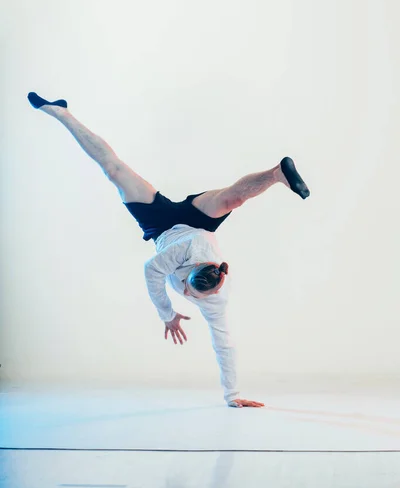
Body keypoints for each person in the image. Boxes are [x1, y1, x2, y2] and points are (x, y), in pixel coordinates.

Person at [27, 92, 310, 408]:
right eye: (187, 288)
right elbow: (151, 272)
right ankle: (60, 113)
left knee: (227, 197)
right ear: (190, 272)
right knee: (117, 169)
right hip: (189, 225)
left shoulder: (216, 299)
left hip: (164, 226)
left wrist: (233, 397)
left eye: (192, 296)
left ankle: (277, 174)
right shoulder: (184, 253)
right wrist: (167, 314)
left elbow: (224, 344)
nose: (188, 295)